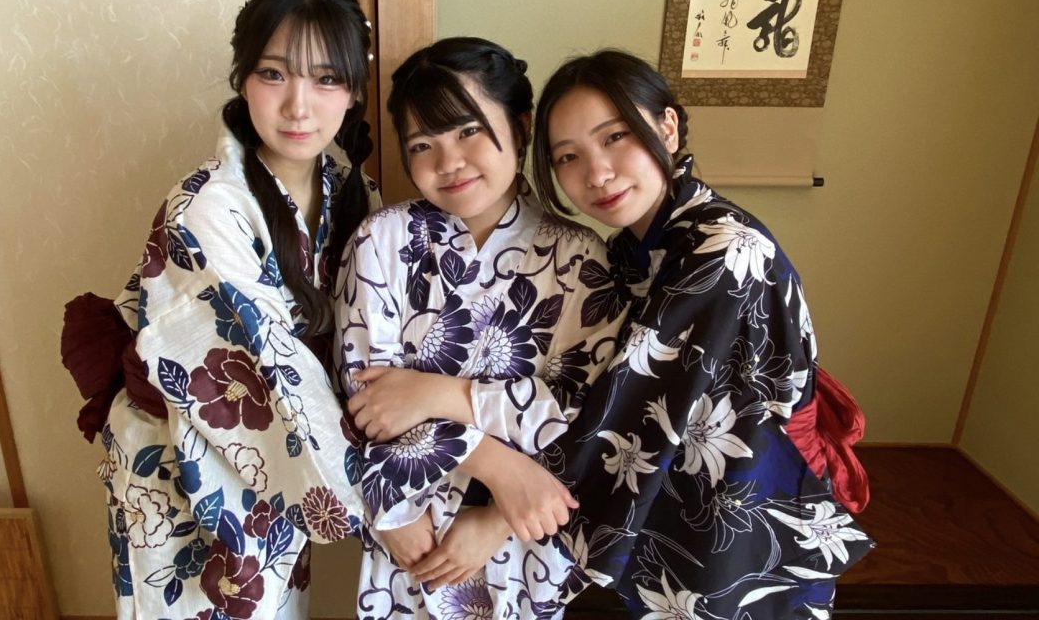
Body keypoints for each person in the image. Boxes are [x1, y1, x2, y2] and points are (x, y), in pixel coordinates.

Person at [60, 0, 379, 620]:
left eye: (326, 78)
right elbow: (264, 366)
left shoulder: (354, 193)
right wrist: (384, 502)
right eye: (274, 74)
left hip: (278, 468)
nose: (299, 106)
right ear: (242, 78)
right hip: (183, 467)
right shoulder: (205, 207)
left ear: (354, 90)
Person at [529, 49, 873, 618]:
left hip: (750, 479)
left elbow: (628, 404)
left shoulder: (723, 249)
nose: (597, 172)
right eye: (568, 156)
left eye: (615, 137)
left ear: (667, 127)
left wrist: (512, 503)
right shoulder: (629, 248)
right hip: (690, 478)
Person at [331, 37, 626, 619]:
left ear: (521, 124)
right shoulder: (381, 241)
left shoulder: (581, 257)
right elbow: (368, 400)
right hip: (408, 528)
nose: (449, 162)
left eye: (468, 131)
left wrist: (496, 515)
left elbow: (584, 413)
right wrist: (409, 506)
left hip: (525, 532)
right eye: (423, 144)